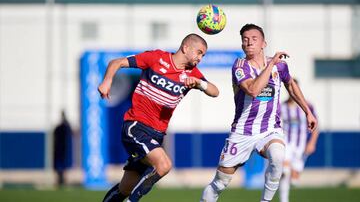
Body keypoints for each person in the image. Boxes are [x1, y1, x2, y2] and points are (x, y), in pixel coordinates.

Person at [200, 24, 317, 202]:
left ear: (264, 43)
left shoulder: (280, 67)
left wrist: (307, 112)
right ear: (242, 46)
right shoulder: (240, 66)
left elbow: (291, 86)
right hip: (242, 131)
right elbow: (253, 90)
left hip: (270, 129)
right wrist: (270, 65)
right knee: (220, 183)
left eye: (254, 39)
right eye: (245, 40)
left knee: (278, 155)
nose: (249, 43)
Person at [98, 33, 219, 202]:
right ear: (186, 48)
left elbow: (215, 91)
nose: (200, 58)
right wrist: (107, 81)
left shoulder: (192, 74)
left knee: (124, 189)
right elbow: (116, 62)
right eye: (199, 52)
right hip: (136, 126)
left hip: (156, 135)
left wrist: (200, 83)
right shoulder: (156, 58)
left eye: (203, 55)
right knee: (164, 165)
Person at [279, 79, 319, 202]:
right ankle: (284, 200)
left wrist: (312, 142)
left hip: (301, 145)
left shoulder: (308, 106)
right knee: (284, 172)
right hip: (286, 142)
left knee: (294, 180)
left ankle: (292, 173)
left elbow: (316, 125)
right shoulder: (281, 106)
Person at [53, 110, 73, 187]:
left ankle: (61, 180)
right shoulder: (62, 127)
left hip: (62, 148)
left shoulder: (64, 126)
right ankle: (60, 179)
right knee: (60, 165)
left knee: (62, 165)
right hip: (61, 148)